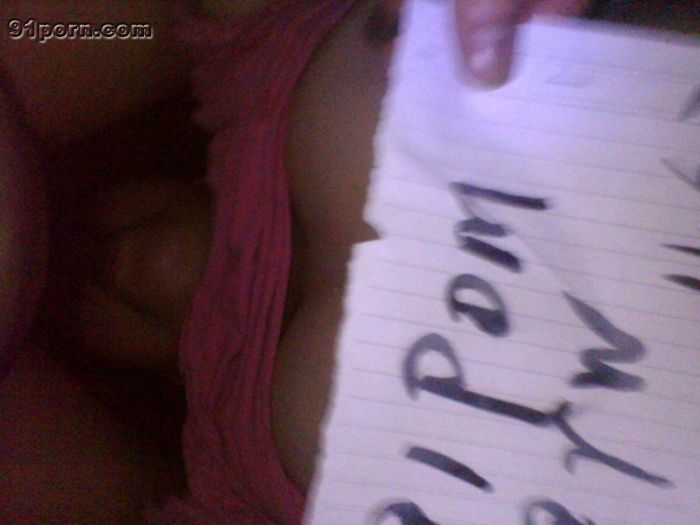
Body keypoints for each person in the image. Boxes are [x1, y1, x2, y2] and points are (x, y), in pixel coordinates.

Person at [3, 0, 696, 522]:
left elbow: (82, 30)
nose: (102, 263)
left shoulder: (251, 55)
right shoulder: (222, 474)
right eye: (70, 308)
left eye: (86, 219)